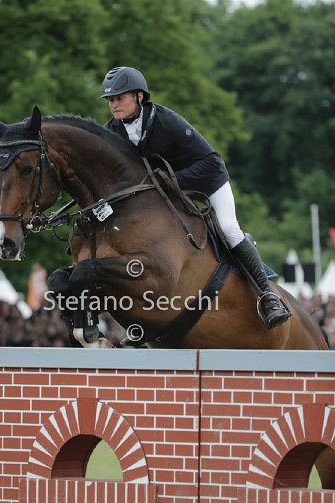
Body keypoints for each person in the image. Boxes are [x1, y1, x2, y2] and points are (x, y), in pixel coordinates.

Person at [100, 66, 290, 329]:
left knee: (229, 229)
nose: (114, 105)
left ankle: (267, 297)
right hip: (166, 193)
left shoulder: (167, 121)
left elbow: (212, 161)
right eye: (110, 100)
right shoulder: (111, 132)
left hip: (207, 181)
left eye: (120, 98)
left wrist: (173, 182)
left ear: (139, 97)